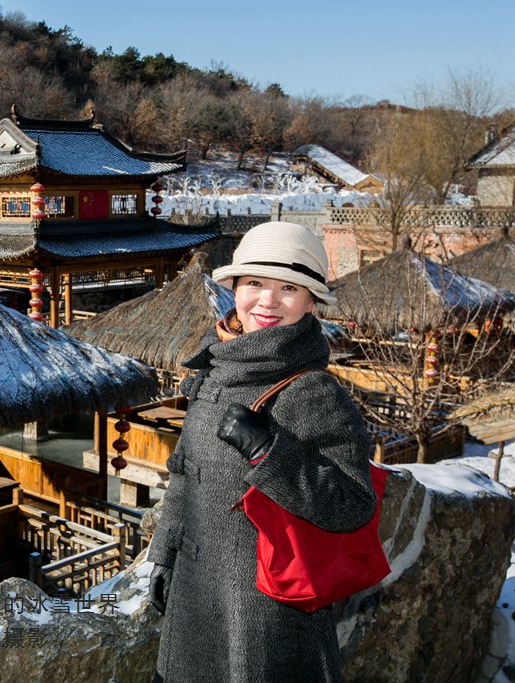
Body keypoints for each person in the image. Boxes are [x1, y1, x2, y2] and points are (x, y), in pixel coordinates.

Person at [148, 221, 377, 683]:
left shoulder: (312, 391)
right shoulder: (215, 367)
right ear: (234, 287)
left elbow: (353, 504)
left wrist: (270, 450)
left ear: (311, 302)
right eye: (254, 283)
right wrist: (164, 555)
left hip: (267, 620)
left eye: (288, 288)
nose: (267, 301)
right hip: (195, 603)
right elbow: (185, 477)